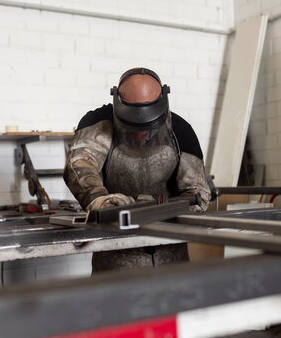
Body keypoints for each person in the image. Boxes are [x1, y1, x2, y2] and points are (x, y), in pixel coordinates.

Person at [63, 67, 211, 272]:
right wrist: (98, 198)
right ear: (117, 100)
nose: (141, 134)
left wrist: (158, 208)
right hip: (115, 258)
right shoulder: (98, 123)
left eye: (148, 125)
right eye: (133, 124)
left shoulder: (180, 130)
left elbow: (199, 195)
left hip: (171, 259)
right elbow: (80, 166)